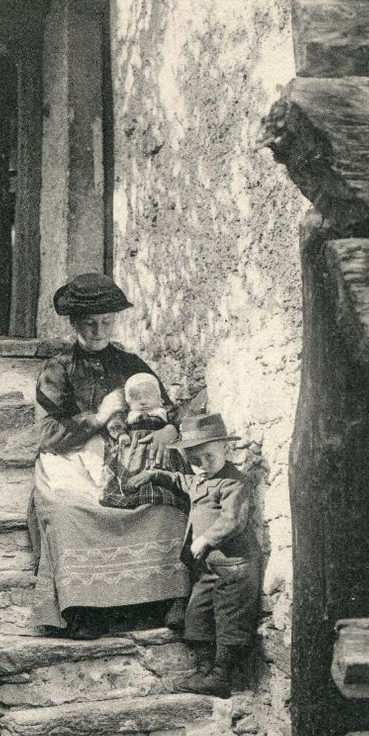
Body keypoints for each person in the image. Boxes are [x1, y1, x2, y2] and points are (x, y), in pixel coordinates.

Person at [29, 272, 190, 639]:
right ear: (74, 324)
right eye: (89, 324)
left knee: (166, 505)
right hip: (72, 455)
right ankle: (86, 609)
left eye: (106, 323)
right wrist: (98, 417)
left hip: (126, 456)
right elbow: (48, 435)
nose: (99, 331)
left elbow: (170, 409)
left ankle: (163, 600)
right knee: (71, 510)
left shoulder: (131, 364)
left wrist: (169, 429)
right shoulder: (58, 369)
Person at [127, 412, 262, 697]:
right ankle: (204, 670)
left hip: (234, 567)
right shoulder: (200, 480)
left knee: (229, 620)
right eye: (194, 460)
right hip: (209, 569)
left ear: (225, 449)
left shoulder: (232, 484)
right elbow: (179, 480)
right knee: (197, 614)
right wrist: (152, 474)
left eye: (209, 457)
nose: (201, 466)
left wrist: (206, 539)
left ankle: (222, 677)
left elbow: (233, 520)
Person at [100, 372, 190, 510]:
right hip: (133, 450)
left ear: (160, 399)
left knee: (163, 476)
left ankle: (163, 499)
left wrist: (172, 427)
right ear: (128, 403)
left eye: (148, 395)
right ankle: (129, 502)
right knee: (130, 478)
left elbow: (182, 418)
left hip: (160, 450)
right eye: (136, 398)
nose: (143, 402)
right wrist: (121, 435)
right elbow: (114, 423)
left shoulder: (165, 412)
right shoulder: (127, 416)